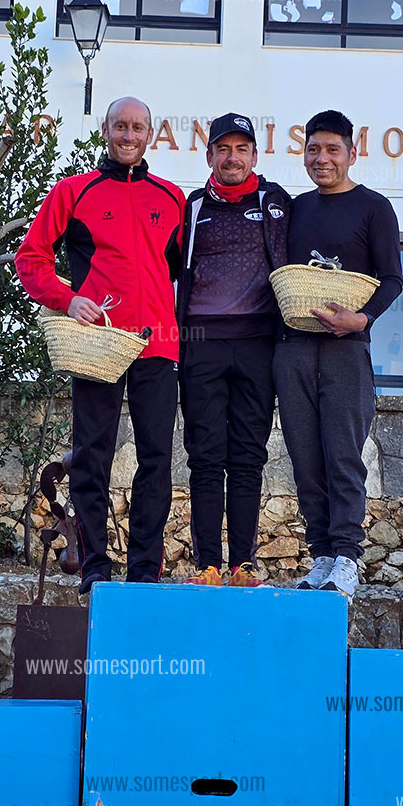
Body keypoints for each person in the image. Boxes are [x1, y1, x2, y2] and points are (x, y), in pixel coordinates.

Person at [16, 97, 185, 594]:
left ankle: (145, 569)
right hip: (98, 344)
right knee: (93, 457)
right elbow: (31, 259)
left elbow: (181, 272)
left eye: (138, 127)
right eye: (120, 126)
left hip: (158, 345)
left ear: (151, 134)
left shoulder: (172, 197)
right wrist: (67, 300)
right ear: (106, 131)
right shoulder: (74, 191)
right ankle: (94, 565)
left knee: (157, 460)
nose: (128, 136)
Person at [274, 110, 402, 600]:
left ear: (352, 152)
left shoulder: (374, 208)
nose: (321, 158)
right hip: (294, 348)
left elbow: (392, 279)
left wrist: (362, 319)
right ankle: (321, 555)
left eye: (332, 149)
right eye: (313, 149)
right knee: (305, 459)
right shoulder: (296, 209)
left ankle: (347, 557)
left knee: (342, 457)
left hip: (346, 351)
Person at [177, 112, 290, 587]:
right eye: (223, 149)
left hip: (258, 345)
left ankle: (244, 564)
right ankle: (206, 564)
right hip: (200, 344)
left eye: (241, 149)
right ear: (209, 156)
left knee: (247, 456)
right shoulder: (192, 206)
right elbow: (164, 266)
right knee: (204, 457)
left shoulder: (275, 201)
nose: (232, 158)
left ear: (255, 156)